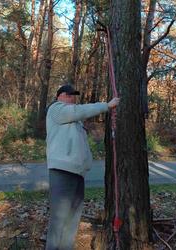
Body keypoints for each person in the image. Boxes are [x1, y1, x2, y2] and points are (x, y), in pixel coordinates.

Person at [45, 84, 120, 250]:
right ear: (59, 97)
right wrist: (106, 106)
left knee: (72, 218)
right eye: (69, 95)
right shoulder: (56, 110)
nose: (72, 98)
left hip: (77, 173)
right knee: (59, 220)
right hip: (62, 171)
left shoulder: (75, 122)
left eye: (74, 96)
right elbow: (79, 111)